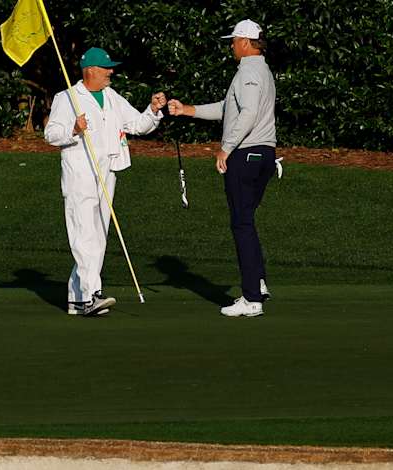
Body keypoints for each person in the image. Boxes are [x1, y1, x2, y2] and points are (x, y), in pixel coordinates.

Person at [45, 47, 167, 316]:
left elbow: (136, 124)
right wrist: (73, 130)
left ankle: (78, 297)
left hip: (107, 172)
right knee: (84, 234)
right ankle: (90, 296)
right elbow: (51, 134)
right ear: (91, 71)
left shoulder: (111, 96)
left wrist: (153, 110)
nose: (111, 71)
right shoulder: (67, 98)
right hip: (80, 173)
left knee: (99, 235)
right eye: (106, 68)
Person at [168, 19, 276, 317]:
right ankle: (258, 283)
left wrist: (226, 148)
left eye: (233, 40)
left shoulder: (249, 70)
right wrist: (187, 110)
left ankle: (252, 299)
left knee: (241, 223)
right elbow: (228, 109)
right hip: (263, 153)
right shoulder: (259, 69)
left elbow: (249, 113)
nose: (231, 45)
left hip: (247, 154)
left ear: (244, 42)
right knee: (246, 222)